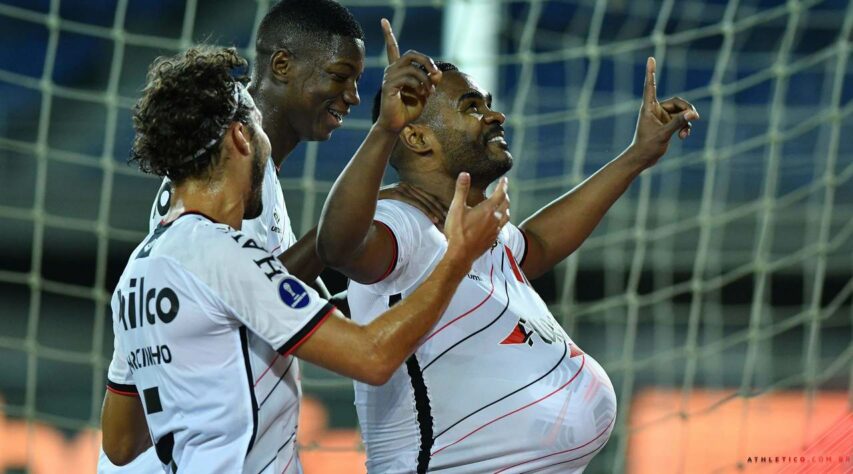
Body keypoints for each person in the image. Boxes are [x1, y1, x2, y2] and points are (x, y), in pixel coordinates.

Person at [100, 45, 508, 473]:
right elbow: (372, 357)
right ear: (240, 137)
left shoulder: (137, 273)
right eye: (258, 128)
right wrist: (458, 257)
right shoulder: (221, 252)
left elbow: (122, 442)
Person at [316, 20, 700, 473]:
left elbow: (537, 242)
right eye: (472, 107)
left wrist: (637, 156)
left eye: (489, 105)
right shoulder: (402, 223)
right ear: (418, 137)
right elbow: (338, 246)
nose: (495, 116)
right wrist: (383, 130)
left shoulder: (474, 226)